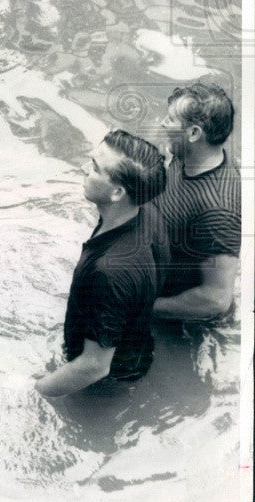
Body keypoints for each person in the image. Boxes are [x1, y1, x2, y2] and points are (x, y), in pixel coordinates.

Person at [35, 130, 167, 398]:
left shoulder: (108, 273)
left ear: (118, 192)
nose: (84, 168)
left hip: (107, 382)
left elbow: (93, 367)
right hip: (136, 348)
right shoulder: (147, 211)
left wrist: (33, 391)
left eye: (95, 168)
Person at [152, 82, 240, 322]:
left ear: (193, 134)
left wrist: (142, 308)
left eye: (170, 119)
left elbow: (216, 300)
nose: (162, 123)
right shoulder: (185, 152)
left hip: (175, 313)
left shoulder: (218, 211)